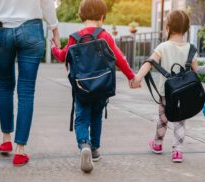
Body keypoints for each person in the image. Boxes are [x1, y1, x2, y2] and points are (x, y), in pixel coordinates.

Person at [0, 0, 59, 166]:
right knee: (26, 90)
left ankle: (6, 139)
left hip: (1, 29)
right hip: (31, 29)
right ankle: (20, 150)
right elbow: (46, 3)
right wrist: (55, 30)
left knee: (5, 85)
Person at [52, 0, 135, 172]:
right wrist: (131, 77)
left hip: (81, 88)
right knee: (96, 116)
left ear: (81, 15)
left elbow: (62, 56)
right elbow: (120, 59)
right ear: (102, 16)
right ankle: (95, 149)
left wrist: (54, 48)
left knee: (81, 118)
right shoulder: (105, 36)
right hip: (102, 87)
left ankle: (84, 145)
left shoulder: (74, 38)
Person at [131, 10, 197, 163]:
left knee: (163, 118)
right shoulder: (191, 49)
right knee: (180, 120)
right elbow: (196, 71)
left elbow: (149, 62)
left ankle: (158, 144)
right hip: (184, 93)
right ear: (186, 29)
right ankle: (178, 152)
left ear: (167, 27)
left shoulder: (163, 47)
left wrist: (138, 78)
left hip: (166, 93)